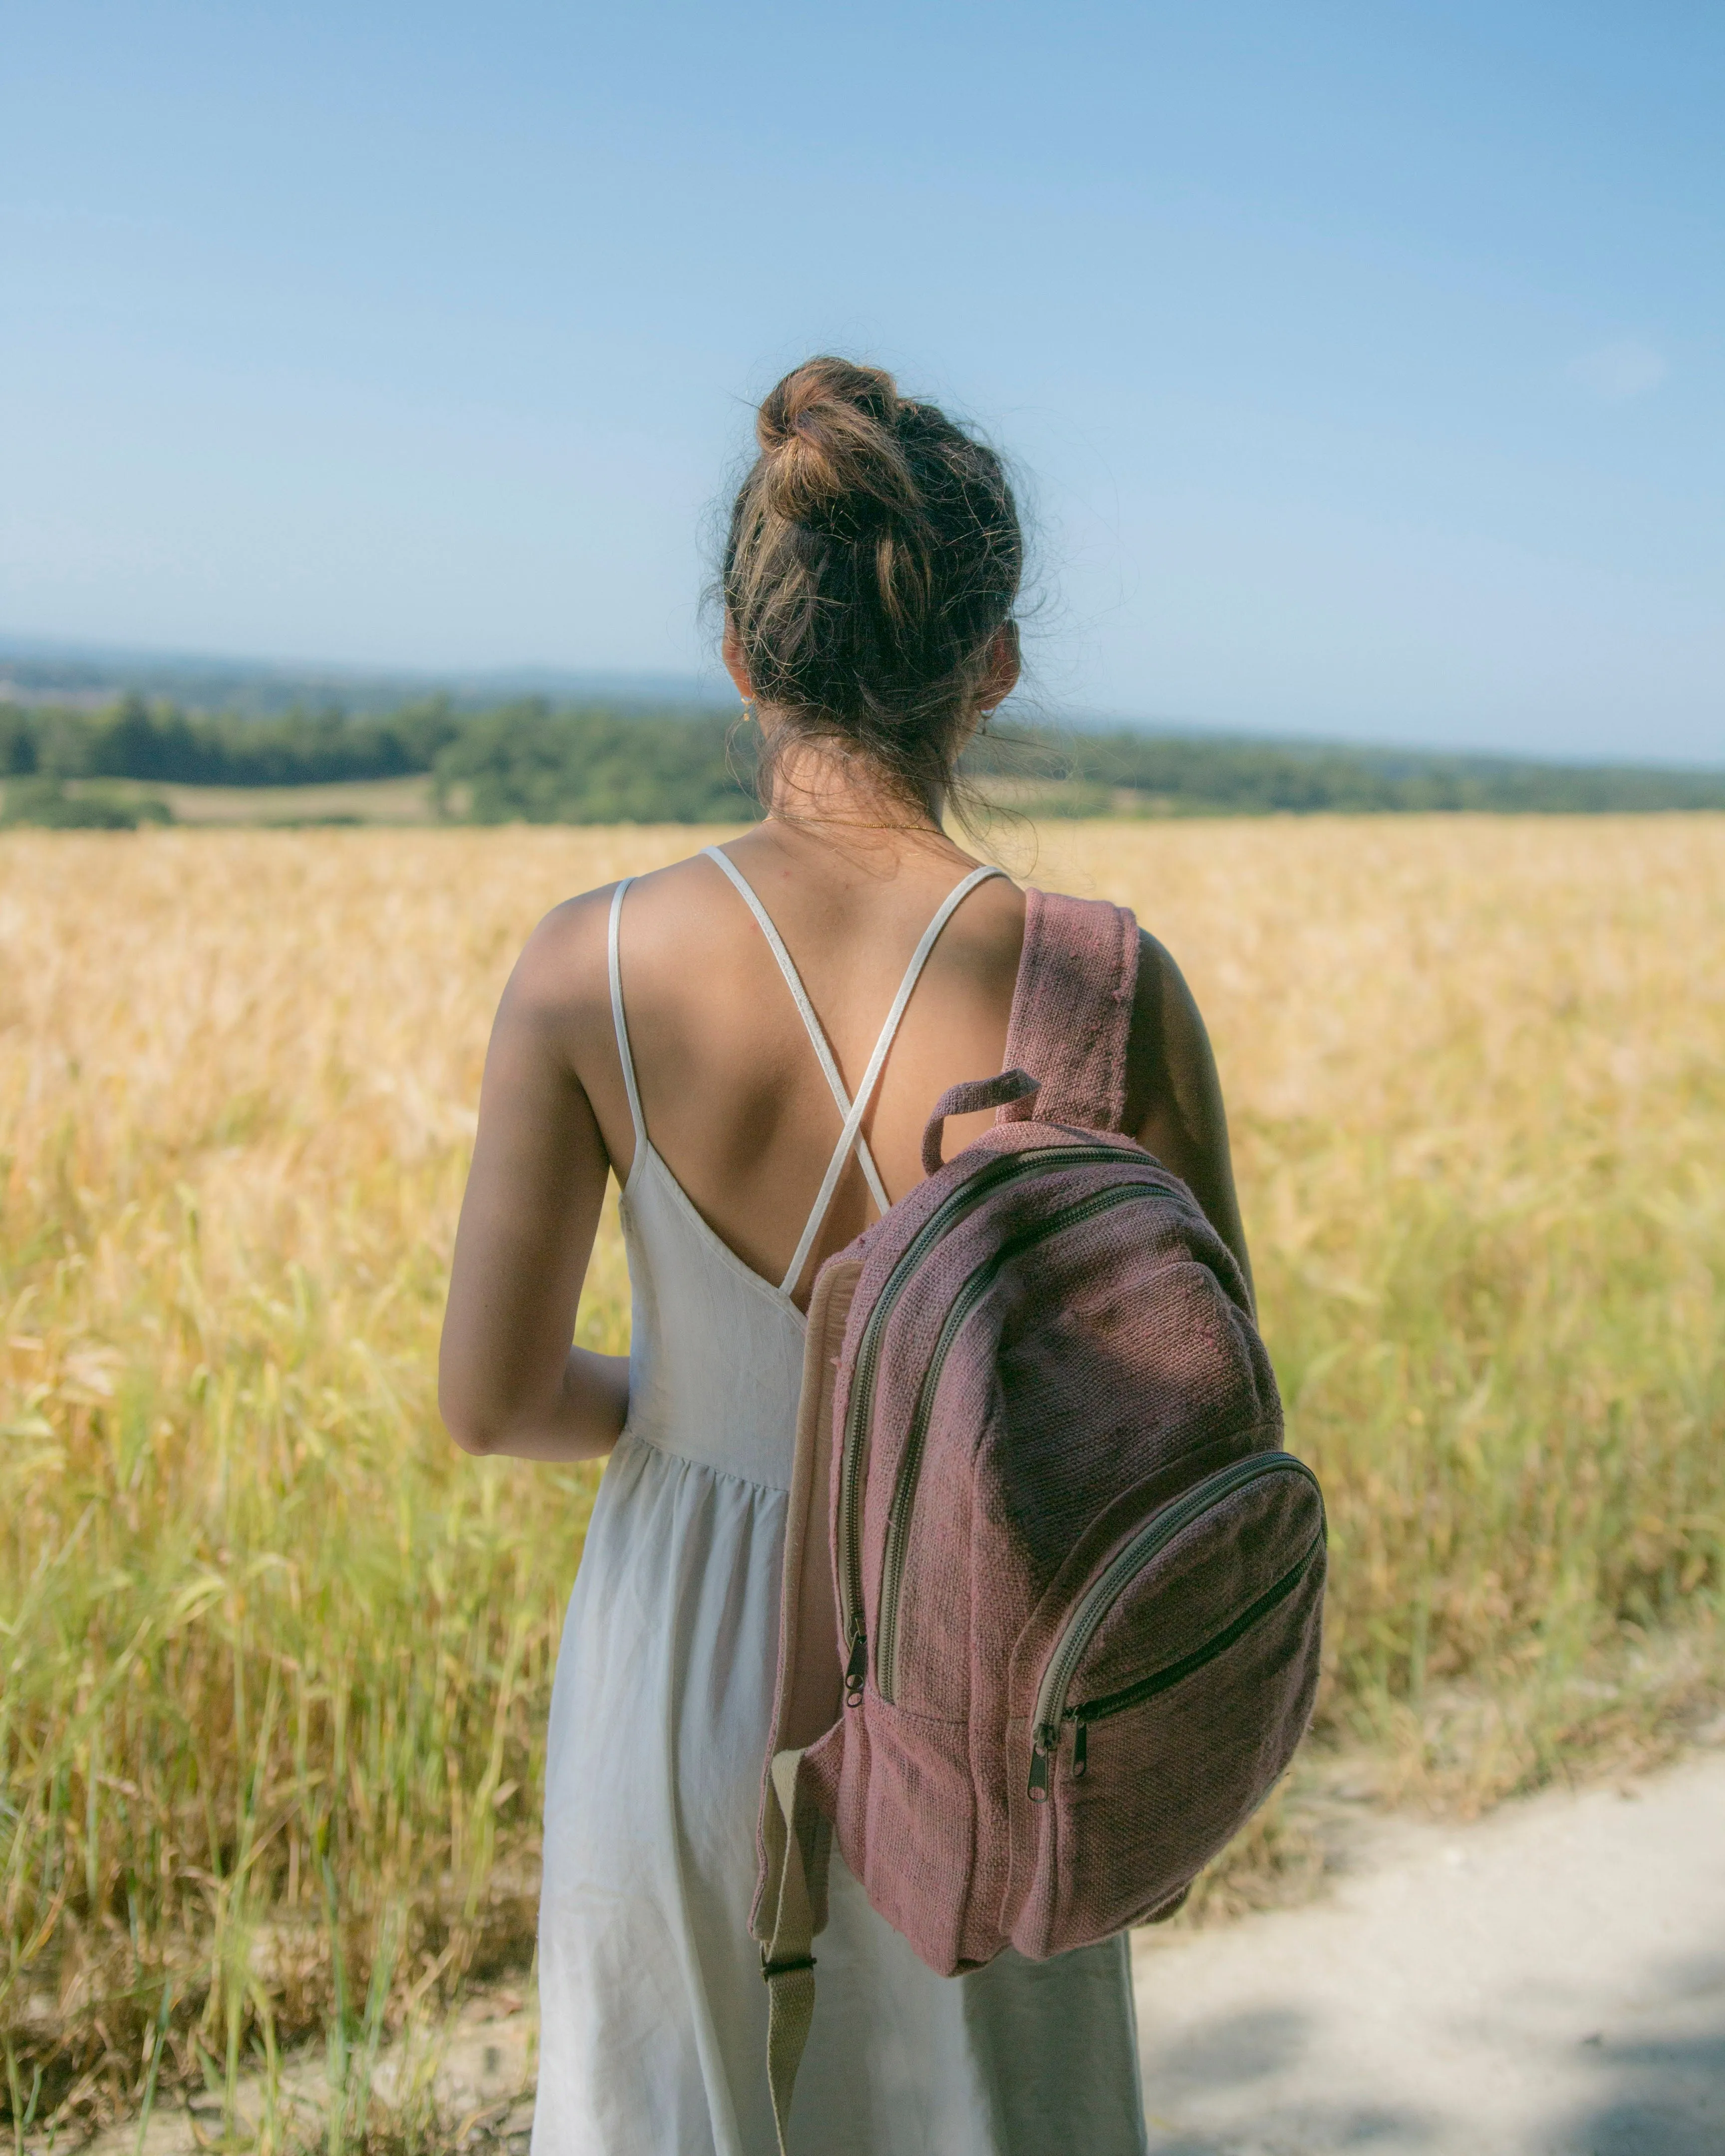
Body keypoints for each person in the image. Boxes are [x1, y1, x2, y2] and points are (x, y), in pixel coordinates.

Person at [438, 357, 1253, 2156]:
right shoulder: (1112, 987)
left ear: (742, 656)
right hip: (990, 1673)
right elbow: (1199, 1416)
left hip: (680, 1664)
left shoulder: (588, 969)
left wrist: (738, 1416)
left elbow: (491, 1400)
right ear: (996, 665)